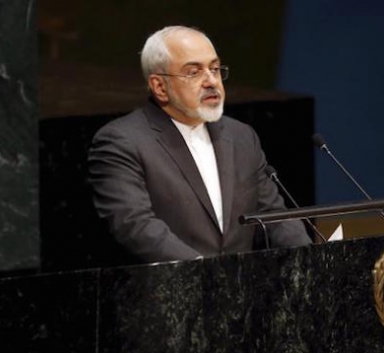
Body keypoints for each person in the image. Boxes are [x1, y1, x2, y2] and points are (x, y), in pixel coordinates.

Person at [87, 25, 311, 263]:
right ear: (160, 87)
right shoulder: (122, 142)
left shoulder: (241, 136)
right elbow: (135, 226)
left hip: (242, 292)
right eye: (194, 72)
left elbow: (273, 216)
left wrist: (310, 260)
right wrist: (205, 277)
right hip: (170, 294)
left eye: (215, 69)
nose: (211, 81)